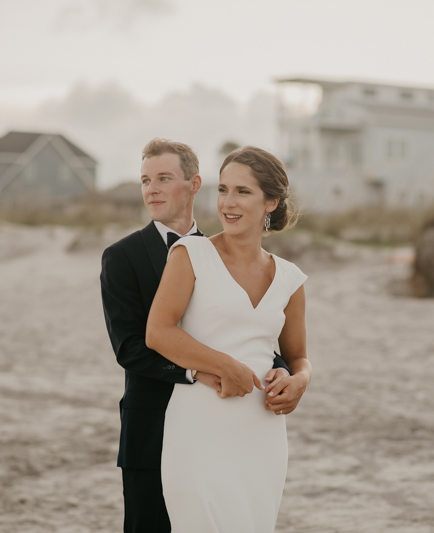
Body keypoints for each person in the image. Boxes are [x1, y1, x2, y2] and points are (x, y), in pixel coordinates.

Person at [99, 139, 303, 533]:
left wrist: (285, 372)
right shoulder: (122, 257)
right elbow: (131, 346)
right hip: (153, 420)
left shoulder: (225, 249)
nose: (152, 189)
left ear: (194, 185)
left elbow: (250, 333)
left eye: (163, 178)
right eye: (145, 180)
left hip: (238, 418)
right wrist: (196, 373)